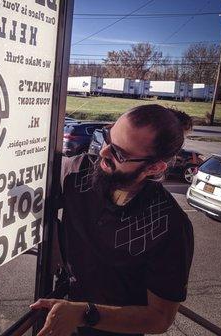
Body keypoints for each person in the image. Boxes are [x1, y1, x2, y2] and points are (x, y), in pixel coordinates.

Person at [30, 104, 195, 336]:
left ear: (154, 167)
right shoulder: (77, 171)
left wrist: (83, 313)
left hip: (113, 330)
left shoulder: (169, 225)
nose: (103, 153)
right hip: (60, 309)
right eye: (106, 137)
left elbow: (160, 318)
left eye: (120, 154)